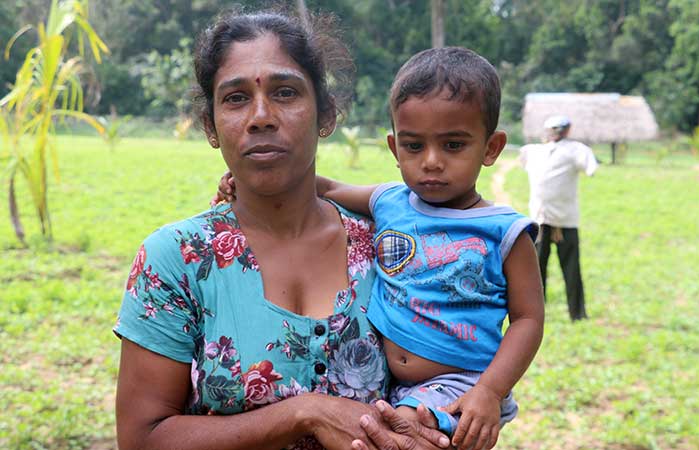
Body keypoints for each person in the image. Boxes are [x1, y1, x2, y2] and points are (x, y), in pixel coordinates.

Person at [114, 9, 451, 450]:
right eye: (235, 98)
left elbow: (459, 371)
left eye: (286, 92)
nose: (261, 116)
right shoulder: (177, 260)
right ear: (210, 126)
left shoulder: (391, 249)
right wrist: (304, 412)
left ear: (325, 114)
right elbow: (142, 438)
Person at [217, 47, 545, 450]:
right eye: (413, 146)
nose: (431, 162)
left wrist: (491, 391)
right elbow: (329, 189)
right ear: (394, 148)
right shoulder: (390, 201)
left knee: (387, 433)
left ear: (491, 148)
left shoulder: (505, 232)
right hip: (392, 385)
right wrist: (246, 181)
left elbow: (528, 319)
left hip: (462, 384)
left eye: (454, 145)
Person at [519, 115, 598, 321]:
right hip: (541, 219)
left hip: (564, 221)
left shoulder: (576, 150)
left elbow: (590, 168)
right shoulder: (534, 151)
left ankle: (577, 314)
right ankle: (535, 312)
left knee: (570, 269)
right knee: (536, 270)